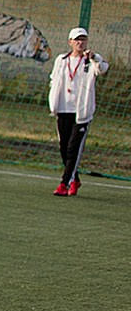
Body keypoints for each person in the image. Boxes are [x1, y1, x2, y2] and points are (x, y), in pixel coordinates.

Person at [49, 26, 110, 196]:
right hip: (63, 108)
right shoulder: (61, 60)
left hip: (81, 112)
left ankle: (64, 183)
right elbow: (54, 80)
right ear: (70, 42)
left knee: (73, 149)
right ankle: (74, 179)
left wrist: (95, 57)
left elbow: (103, 68)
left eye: (83, 39)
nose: (80, 42)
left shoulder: (90, 61)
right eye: (77, 39)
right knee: (64, 147)